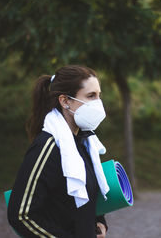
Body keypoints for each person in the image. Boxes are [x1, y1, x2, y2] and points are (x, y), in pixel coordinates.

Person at [7, 65, 110, 238]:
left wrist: (99, 222)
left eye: (99, 96)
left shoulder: (85, 144)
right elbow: (21, 215)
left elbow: (84, 196)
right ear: (65, 101)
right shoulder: (47, 147)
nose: (98, 103)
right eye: (91, 96)